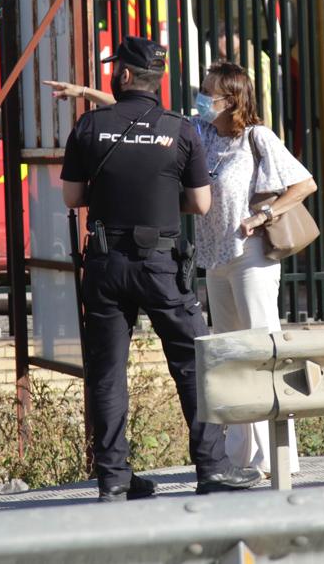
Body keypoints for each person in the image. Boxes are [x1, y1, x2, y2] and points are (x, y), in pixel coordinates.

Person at [56, 35, 260, 501]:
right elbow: (201, 203)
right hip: (162, 265)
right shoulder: (179, 130)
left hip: (106, 263)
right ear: (157, 78)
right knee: (193, 364)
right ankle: (211, 468)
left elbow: (71, 197)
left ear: (123, 76)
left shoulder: (90, 127)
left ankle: (114, 478)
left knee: (108, 372)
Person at [192, 60, 317, 478]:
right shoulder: (203, 132)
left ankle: (278, 456)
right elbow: (154, 120)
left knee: (263, 350)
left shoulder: (256, 136)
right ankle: (242, 455)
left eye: (209, 90)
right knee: (231, 354)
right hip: (215, 256)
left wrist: (262, 215)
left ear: (231, 99)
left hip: (251, 257)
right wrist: (93, 97)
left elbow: (304, 184)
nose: (202, 96)